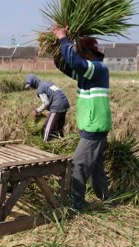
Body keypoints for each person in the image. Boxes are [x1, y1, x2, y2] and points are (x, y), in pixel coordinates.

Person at [52, 24, 111, 211]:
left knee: (78, 164)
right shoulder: (87, 72)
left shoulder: (97, 68)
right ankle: (105, 198)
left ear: (87, 53)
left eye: (79, 51)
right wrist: (56, 45)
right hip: (96, 125)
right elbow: (65, 65)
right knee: (95, 166)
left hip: (94, 127)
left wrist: (63, 39)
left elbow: (75, 62)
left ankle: (75, 205)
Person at [25, 73, 70, 142]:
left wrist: (36, 111)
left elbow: (46, 103)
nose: (31, 87)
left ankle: (45, 144)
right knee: (58, 128)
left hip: (57, 106)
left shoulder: (40, 88)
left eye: (30, 86)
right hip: (64, 102)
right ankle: (62, 142)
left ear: (33, 83)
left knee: (47, 128)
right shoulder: (46, 82)